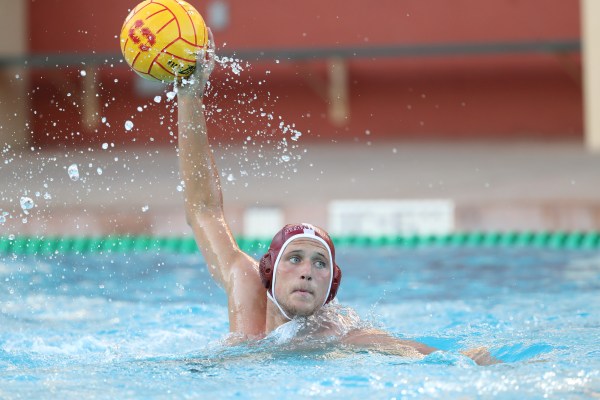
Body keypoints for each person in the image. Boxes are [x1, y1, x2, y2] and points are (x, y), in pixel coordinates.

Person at [176, 29, 498, 366]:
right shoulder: (246, 282)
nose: (307, 272)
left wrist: (475, 359)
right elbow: (203, 209)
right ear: (268, 271)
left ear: (331, 288)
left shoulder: (336, 333)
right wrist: (189, 98)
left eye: (320, 264)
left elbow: (419, 352)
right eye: (295, 258)